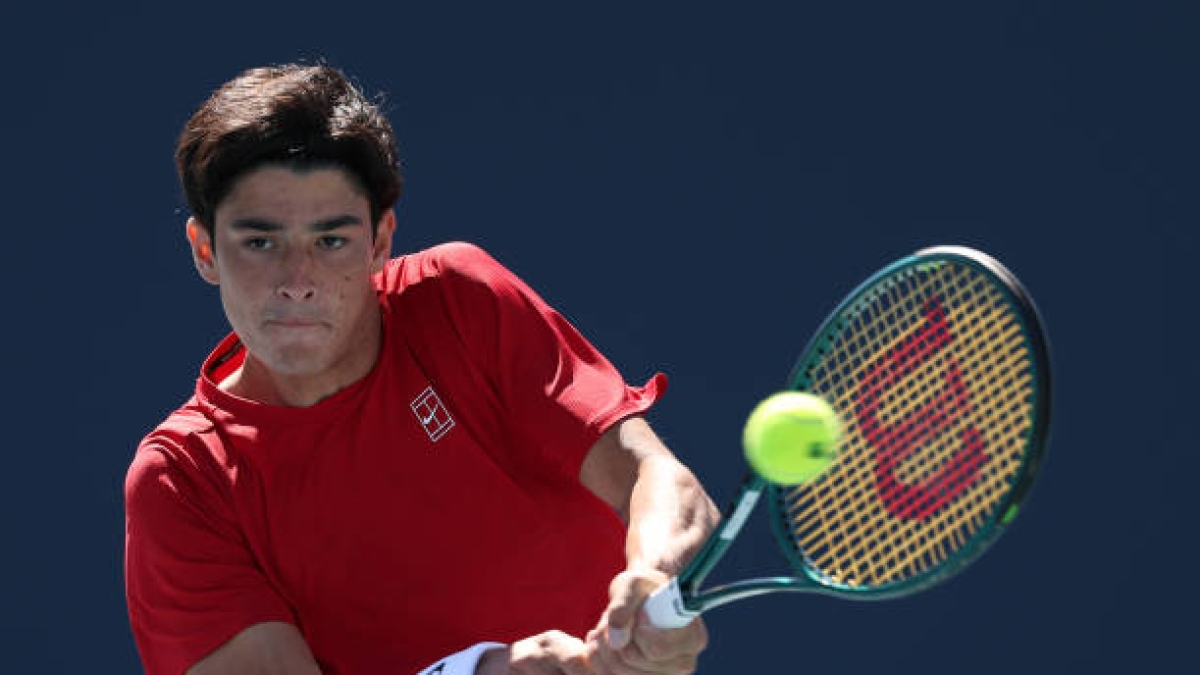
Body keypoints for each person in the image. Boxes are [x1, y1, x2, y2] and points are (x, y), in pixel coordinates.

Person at [124, 63, 720, 675]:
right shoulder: (183, 481)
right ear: (205, 250)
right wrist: (478, 671)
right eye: (260, 243)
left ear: (380, 243)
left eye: (331, 241)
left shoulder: (459, 302)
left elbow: (653, 474)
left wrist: (652, 580)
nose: (297, 282)